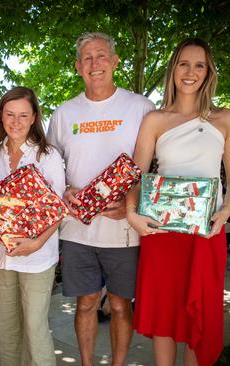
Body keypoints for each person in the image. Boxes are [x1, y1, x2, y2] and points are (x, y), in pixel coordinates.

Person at [125, 38, 230, 366]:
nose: (190, 72)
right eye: (183, 63)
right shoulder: (155, 120)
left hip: (207, 232)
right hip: (161, 234)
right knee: (164, 311)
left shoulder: (226, 119)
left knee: (200, 318)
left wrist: (226, 211)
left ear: (208, 73)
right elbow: (136, 175)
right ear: (173, 69)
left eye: (199, 65)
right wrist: (131, 213)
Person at [46, 32, 155, 366]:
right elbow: (50, 166)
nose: (95, 64)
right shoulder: (64, 113)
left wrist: (133, 206)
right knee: (86, 303)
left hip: (125, 229)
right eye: (88, 58)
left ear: (115, 61)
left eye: (102, 55)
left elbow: (157, 166)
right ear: (79, 67)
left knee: (121, 305)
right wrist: (64, 190)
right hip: (78, 228)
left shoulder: (140, 107)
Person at [0, 86, 64, 364]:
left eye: (23, 115)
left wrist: (37, 243)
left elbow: (58, 209)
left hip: (38, 256)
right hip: (1, 255)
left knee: (35, 328)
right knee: (6, 331)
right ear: (1, 117)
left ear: (33, 118)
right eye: (10, 114)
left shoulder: (47, 155)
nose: (16, 122)